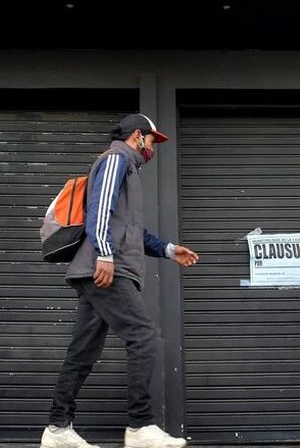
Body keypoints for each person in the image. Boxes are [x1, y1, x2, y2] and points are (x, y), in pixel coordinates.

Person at [41, 113, 200, 448]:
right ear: (137, 137)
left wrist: (169, 250)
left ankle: (57, 428)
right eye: (153, 141)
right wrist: (105, 254)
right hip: (104, 269)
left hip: (97, 268)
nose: (154, 149)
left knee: (82, 352)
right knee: (144, 336)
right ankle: (140, 426)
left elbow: (131, 231)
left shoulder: (127, 169)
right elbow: (99, 211)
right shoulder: (116, 158)